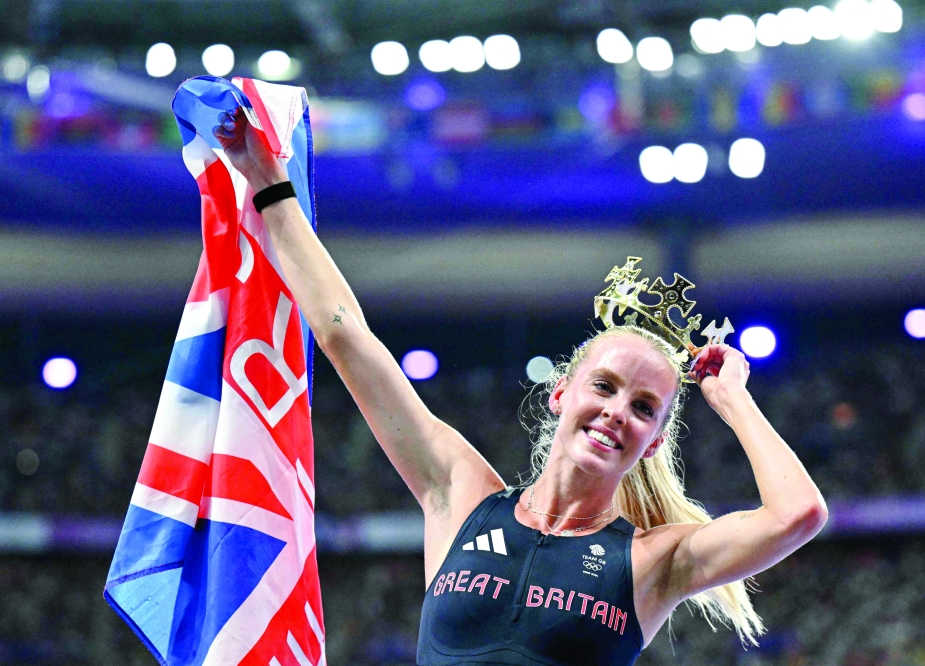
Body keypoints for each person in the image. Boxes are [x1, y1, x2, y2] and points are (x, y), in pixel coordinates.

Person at [214, 107, 828, 665]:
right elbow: (344, 336)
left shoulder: (652, 561)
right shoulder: (458, 492)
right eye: (605, 387)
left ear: (656, 438)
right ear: (561, 392)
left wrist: (734, 400)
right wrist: (270, 185)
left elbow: (797, 515)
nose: (617, 413)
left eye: (644, 408)